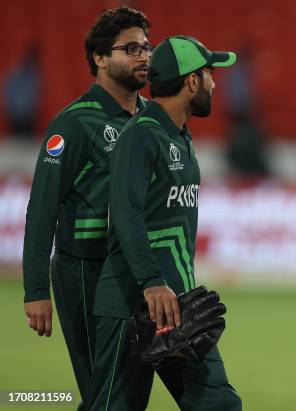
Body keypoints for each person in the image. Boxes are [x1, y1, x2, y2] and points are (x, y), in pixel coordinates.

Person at [90, 35, 242, 410]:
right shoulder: (141, 135)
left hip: (181, 307)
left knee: (220, 405)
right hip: (132, 303)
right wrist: (152, 282)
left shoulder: (179, 135)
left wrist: (172, 287)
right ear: (191, 81)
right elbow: (125, 213)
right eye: (209, 74)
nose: (214, 82)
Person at [22, 6, 151, 409]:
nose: (144, 56)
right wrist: (36, 289)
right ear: (99, 58)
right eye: (130, 48)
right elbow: (42, 209)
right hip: (85, 271)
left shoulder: (151, 120)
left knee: (118, 394)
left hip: (137, 273)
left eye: (147, 47)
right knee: (109, 392)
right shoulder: (73, 124)